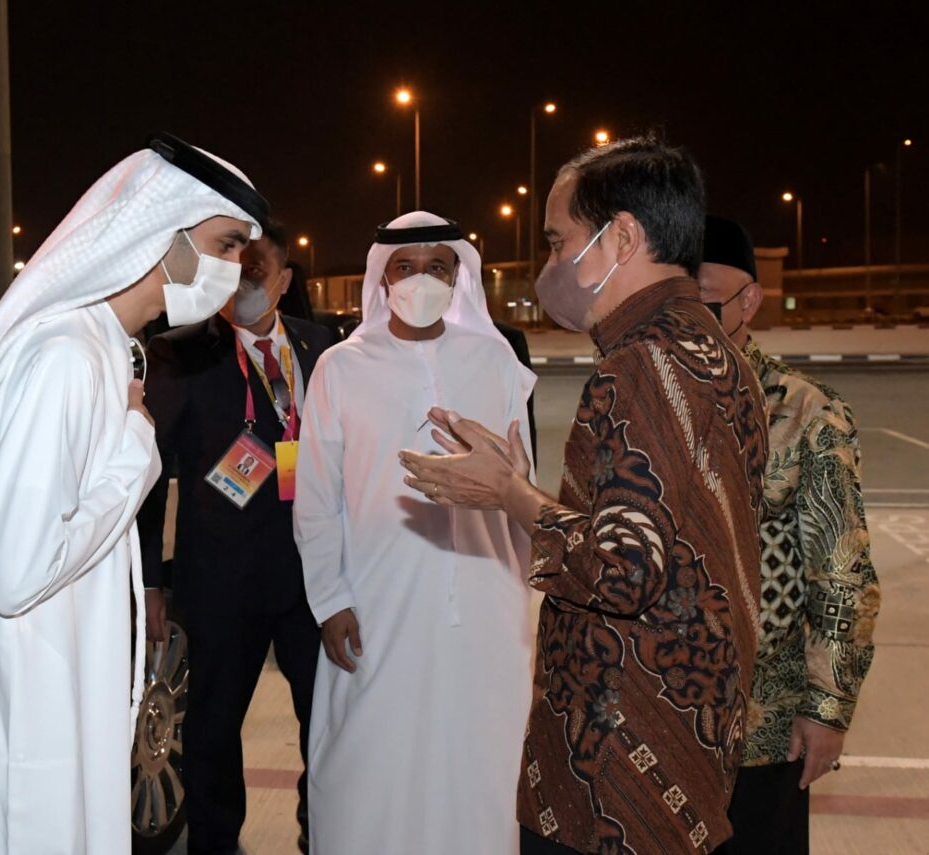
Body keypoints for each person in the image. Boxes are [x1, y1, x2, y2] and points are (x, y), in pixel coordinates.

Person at [400, 138, 769, 854]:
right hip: (689, 737)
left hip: (617, 763)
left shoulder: (639, 365)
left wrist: (509, 495)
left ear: (621, 237)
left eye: (557, 241)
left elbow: (624, 570)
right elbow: (663, 538)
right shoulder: (716, 350)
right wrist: (524, 488)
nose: (550, 266)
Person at [0, 133, 267, 855]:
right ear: (164, 233)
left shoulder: (104, 347)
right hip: (31, 706)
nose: (235, 270)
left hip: (59, 687)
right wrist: (135, 456)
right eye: (226, 245)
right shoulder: (64, 358)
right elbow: (16, 575)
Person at [294, 211, 537, 855]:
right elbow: (316, 498)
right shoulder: (341, 367)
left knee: (482, 753)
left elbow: (524, 483)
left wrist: (525, 589)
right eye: (406, 267)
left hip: (486, 600)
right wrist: (331, 600)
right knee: (370, 755)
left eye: (437, 267)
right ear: (383, 278)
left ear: (458, 276)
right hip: (376, 598)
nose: (420, 280)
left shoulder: (495, 360)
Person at [138, 219, 332, 855]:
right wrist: (151, 582)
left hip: (311, 580)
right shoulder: (181, 353)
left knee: (327, 723)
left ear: (284, 280)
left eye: (257, 272)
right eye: (235, 270)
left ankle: (319, 833)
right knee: (214, 732)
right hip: (222, 583)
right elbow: (147, 477)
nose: (244, 283)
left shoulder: (320, 346)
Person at [699, 216, 881, 855]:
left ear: (748, 301)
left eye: (704, 300)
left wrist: (828, 708)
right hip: (654, 720)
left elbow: (842, 570)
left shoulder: (807, 411)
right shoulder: (641, 397)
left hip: (762, 726)